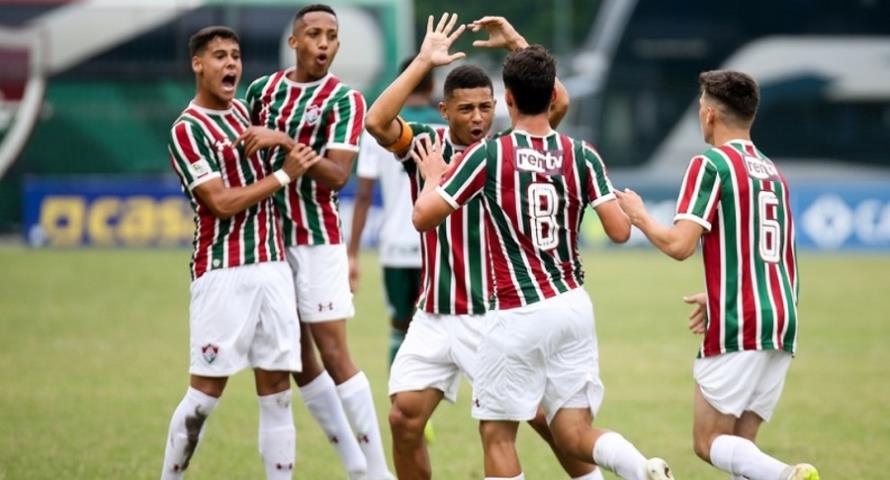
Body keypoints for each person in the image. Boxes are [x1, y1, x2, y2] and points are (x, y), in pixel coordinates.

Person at [411, 44, 674, 480]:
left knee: (497, 434)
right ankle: (638, 466)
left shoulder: (489, 155)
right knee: (573, 433)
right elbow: (619, 231)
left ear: (507, 99)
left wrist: (435, 177)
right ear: (553, 97)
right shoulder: (583, 154)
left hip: (516, 311)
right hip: (573, 308)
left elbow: (423, 218)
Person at [367, 14, 603, 480]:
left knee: (542, 418)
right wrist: (422, 61)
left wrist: (517, 43)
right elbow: (377, 121)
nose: (477, 117)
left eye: (484, 107)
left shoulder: (506, 151)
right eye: (466, 108)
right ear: (443, 111)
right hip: (434, 313)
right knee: (403, 419)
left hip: (491, 315)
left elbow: (558, 99)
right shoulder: (426, 146)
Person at [614, 70, 819, 480]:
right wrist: (718, 291)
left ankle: (788, 475)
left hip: (740, 318)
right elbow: (772, 251)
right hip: (781, 315)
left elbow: (679, 245)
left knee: (707, 442)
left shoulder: (710, 164)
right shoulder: (771, 171)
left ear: (708, 114)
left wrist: (639, 217)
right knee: (741, 448)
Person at [239, 4, 392, 479]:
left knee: (334, 354)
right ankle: (355, 466)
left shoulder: (344, 100)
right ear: (295, 41)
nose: (323, 44)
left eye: (331, 36)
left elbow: (335, 175)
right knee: (296, 360)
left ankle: (378, 469)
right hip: (267, 245)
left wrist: (283, 142)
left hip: (318, 240)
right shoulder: (262, 92)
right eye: (314, 35)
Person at [160, 26, 319, 479]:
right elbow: (220, 202)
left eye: (235, 56)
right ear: (198, 65)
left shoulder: (245, 115)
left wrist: (282, 141)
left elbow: (294, 157)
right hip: (222, 273)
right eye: (219, 57)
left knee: (276, 390)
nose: (230, 65)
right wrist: (284, 175)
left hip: (271, 268)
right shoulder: (188, 129)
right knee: (205, 396)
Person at [347, 58, 440, 368]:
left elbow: (363, 196)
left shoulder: (383, 129)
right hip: (438, 247)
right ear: (433, 86)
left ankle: (403, 406)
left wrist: (352, 254)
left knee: (400, 330)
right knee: (439, 329)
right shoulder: (450, 125)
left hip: (396, 246)